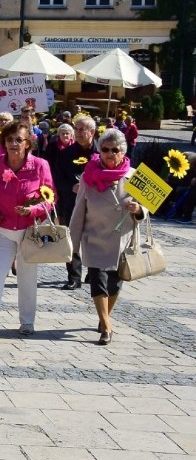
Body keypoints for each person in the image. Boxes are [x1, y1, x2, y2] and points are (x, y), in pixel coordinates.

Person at [0, 121, 54, 338]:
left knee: (28, 277)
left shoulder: (40, 165)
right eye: (9, 139)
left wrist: (32, 210)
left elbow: (50, 198)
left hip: (30, 231)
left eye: (18, 139)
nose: (13, 143)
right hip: (2, 229)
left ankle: (27, 322)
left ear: (28, 143)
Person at [69, 129, 144, 346]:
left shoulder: (134, 175)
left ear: (123, 152)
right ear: (99, 151)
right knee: (98, 280)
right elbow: (78, 210)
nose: (110, 153)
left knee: (115, 284)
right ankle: (106, 326)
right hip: (94, 236)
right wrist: (72, 243)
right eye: (105, 149)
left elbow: (147, 208)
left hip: (122, 238)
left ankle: (105, 318)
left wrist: (137, 208)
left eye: (115, 150)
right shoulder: (88, 176)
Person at [54, 115, 97, 290]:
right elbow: (57, 177)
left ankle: (93, 273)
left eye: (81, 129)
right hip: (72, 202)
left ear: (92, 132)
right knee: (72, 239)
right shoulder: (67, 153)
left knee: (94, 239)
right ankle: (74, 276)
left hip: (97, 203)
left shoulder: (102, 152)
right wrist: (70, 186)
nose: (77, 133)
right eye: (76, 129)